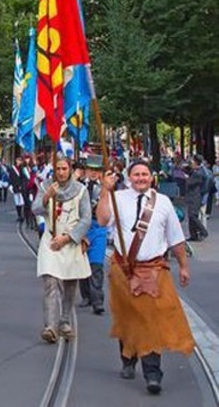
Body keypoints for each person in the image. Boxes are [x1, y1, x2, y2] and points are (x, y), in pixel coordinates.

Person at [97, 160, 195, 395]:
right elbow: (101, 220)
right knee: (128, 316)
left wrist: (183, 266)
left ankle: (153, 374)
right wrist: (104, 190)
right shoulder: (117, 197)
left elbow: (176, 238)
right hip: (123, 269)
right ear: (129, 178)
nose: (140, 178)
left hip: (152, 269)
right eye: (136, 174)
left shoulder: (163, 203)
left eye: (144, 174)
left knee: (149, 319)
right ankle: (128, 358)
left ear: (151, 177)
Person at [32, 157, 91, 343]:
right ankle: (50, 326)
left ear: (70, 169)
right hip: (51, 240)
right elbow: (34, 209)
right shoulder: (46, 186)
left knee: (69, 284)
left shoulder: (81, 191)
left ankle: (64, 320)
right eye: (58, 168)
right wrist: (46, 197)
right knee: (50, 282)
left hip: (70, 241)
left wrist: (67, 238)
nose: (61, 172)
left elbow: (86, 219)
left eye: (64, 168)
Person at [78, 155, 108, 315]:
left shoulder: (105, 188)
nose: (94, 173)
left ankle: (98, 301)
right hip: (82, 228)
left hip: (98, 228)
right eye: (91, 169)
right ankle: (86, 296)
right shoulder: (79, 186)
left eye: (97, 170)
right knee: (83, 263)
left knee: (96, 265)